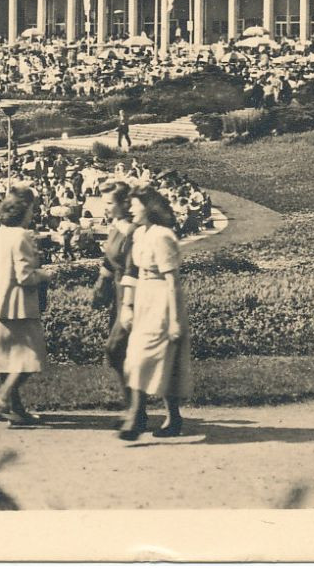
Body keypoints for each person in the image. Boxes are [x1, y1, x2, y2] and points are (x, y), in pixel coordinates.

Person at [119, 186, 192, 440]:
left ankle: (135, 418)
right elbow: (135, 271)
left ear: (148, 208)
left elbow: (172, 281)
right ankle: (174, 418)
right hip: (145, 299)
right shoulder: (140, 234)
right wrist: (128, 306)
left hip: (163, 300)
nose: (130, 209)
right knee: (157, 360)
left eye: (134, 205)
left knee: (143, 357)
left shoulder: (163, 236)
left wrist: (174, 320)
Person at [0, 185, 55, 425]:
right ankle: (1, 399)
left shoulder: (0, 233)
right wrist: (45, 276)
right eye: (32, 208)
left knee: (8, 358)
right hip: (19, 304)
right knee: (31, 358)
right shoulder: (23, 235)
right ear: (24, 210)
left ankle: (15, 409)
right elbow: (24, 276)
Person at [90, 181, 138, 410]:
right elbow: (109, 259)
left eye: (109, 203)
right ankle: (134, 406)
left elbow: (133, 266)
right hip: (117, 292)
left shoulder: (132, 231)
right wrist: (102, 281)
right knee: (121, 351)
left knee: (118, 348)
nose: (105, 208)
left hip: (132, 293)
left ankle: (136, 406)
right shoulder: (116, 226)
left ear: (124, 203)